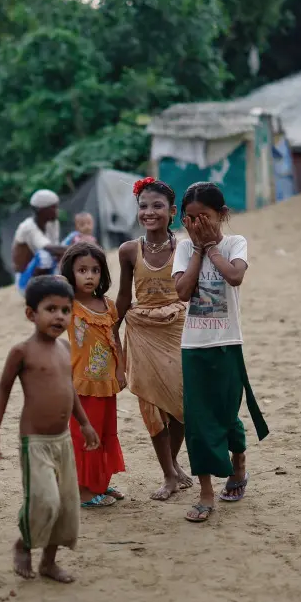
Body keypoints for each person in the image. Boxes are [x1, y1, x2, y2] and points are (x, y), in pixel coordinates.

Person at [0, 275, 100, 584]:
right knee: (45, 501)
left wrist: (85, 423)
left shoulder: (65, 348)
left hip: (63, 441)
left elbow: (69, 389)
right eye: (50, 309)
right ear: (31, 314)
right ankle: (24, 543)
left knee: (66, 506)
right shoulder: (22, 352)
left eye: (65, 310)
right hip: (34, 442)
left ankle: (49, 563)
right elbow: (3, 390)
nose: (59, 317)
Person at [172, 182, 268, 524]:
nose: (198, 224)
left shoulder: (234, 243)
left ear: (221, 215)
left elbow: (234, 276)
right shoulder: (184, 248)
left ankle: (238, 463)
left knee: (227, 414)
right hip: (193, 346)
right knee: (198, 421)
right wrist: (197, 249)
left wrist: (212, 247)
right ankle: (206, 493)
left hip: (228, 343)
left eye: (206, 217)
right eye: (192, 218)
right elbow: (182, 292)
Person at [115, 177, 192, 501]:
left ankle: (174, 464)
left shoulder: (186, 247)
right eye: (143, 206)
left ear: (172, 212)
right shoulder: (129, 251)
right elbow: (122, 297)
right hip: (141, 332)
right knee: (150, 406)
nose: (149, 212)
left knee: (180, 405)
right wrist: (111, 336)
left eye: (157, 206)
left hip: (178, 330)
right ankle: (168, 475)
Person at [59, 241, 127, 507]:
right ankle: (84, 492)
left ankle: (99, 483)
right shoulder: (68, 305)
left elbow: (114, 339)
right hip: (80, 385)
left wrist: (120, 369)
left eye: (95, 270)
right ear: (70, 273)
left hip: (106, 384)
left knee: (105, 432)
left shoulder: (108, 306)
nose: (89, 276)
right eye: (82, 270)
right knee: (84, 435)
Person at [13, 189, 66, 293]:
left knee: (75, 237)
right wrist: (79, 248)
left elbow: (58, 251)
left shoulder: (53, 223)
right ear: (41, 210)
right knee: (44, 255)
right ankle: (42, 288)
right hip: (25, 282)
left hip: (48, 269)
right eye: (53, 207)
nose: (57, 210)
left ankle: (56, 282)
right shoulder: (27, 227)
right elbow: (49, 249)